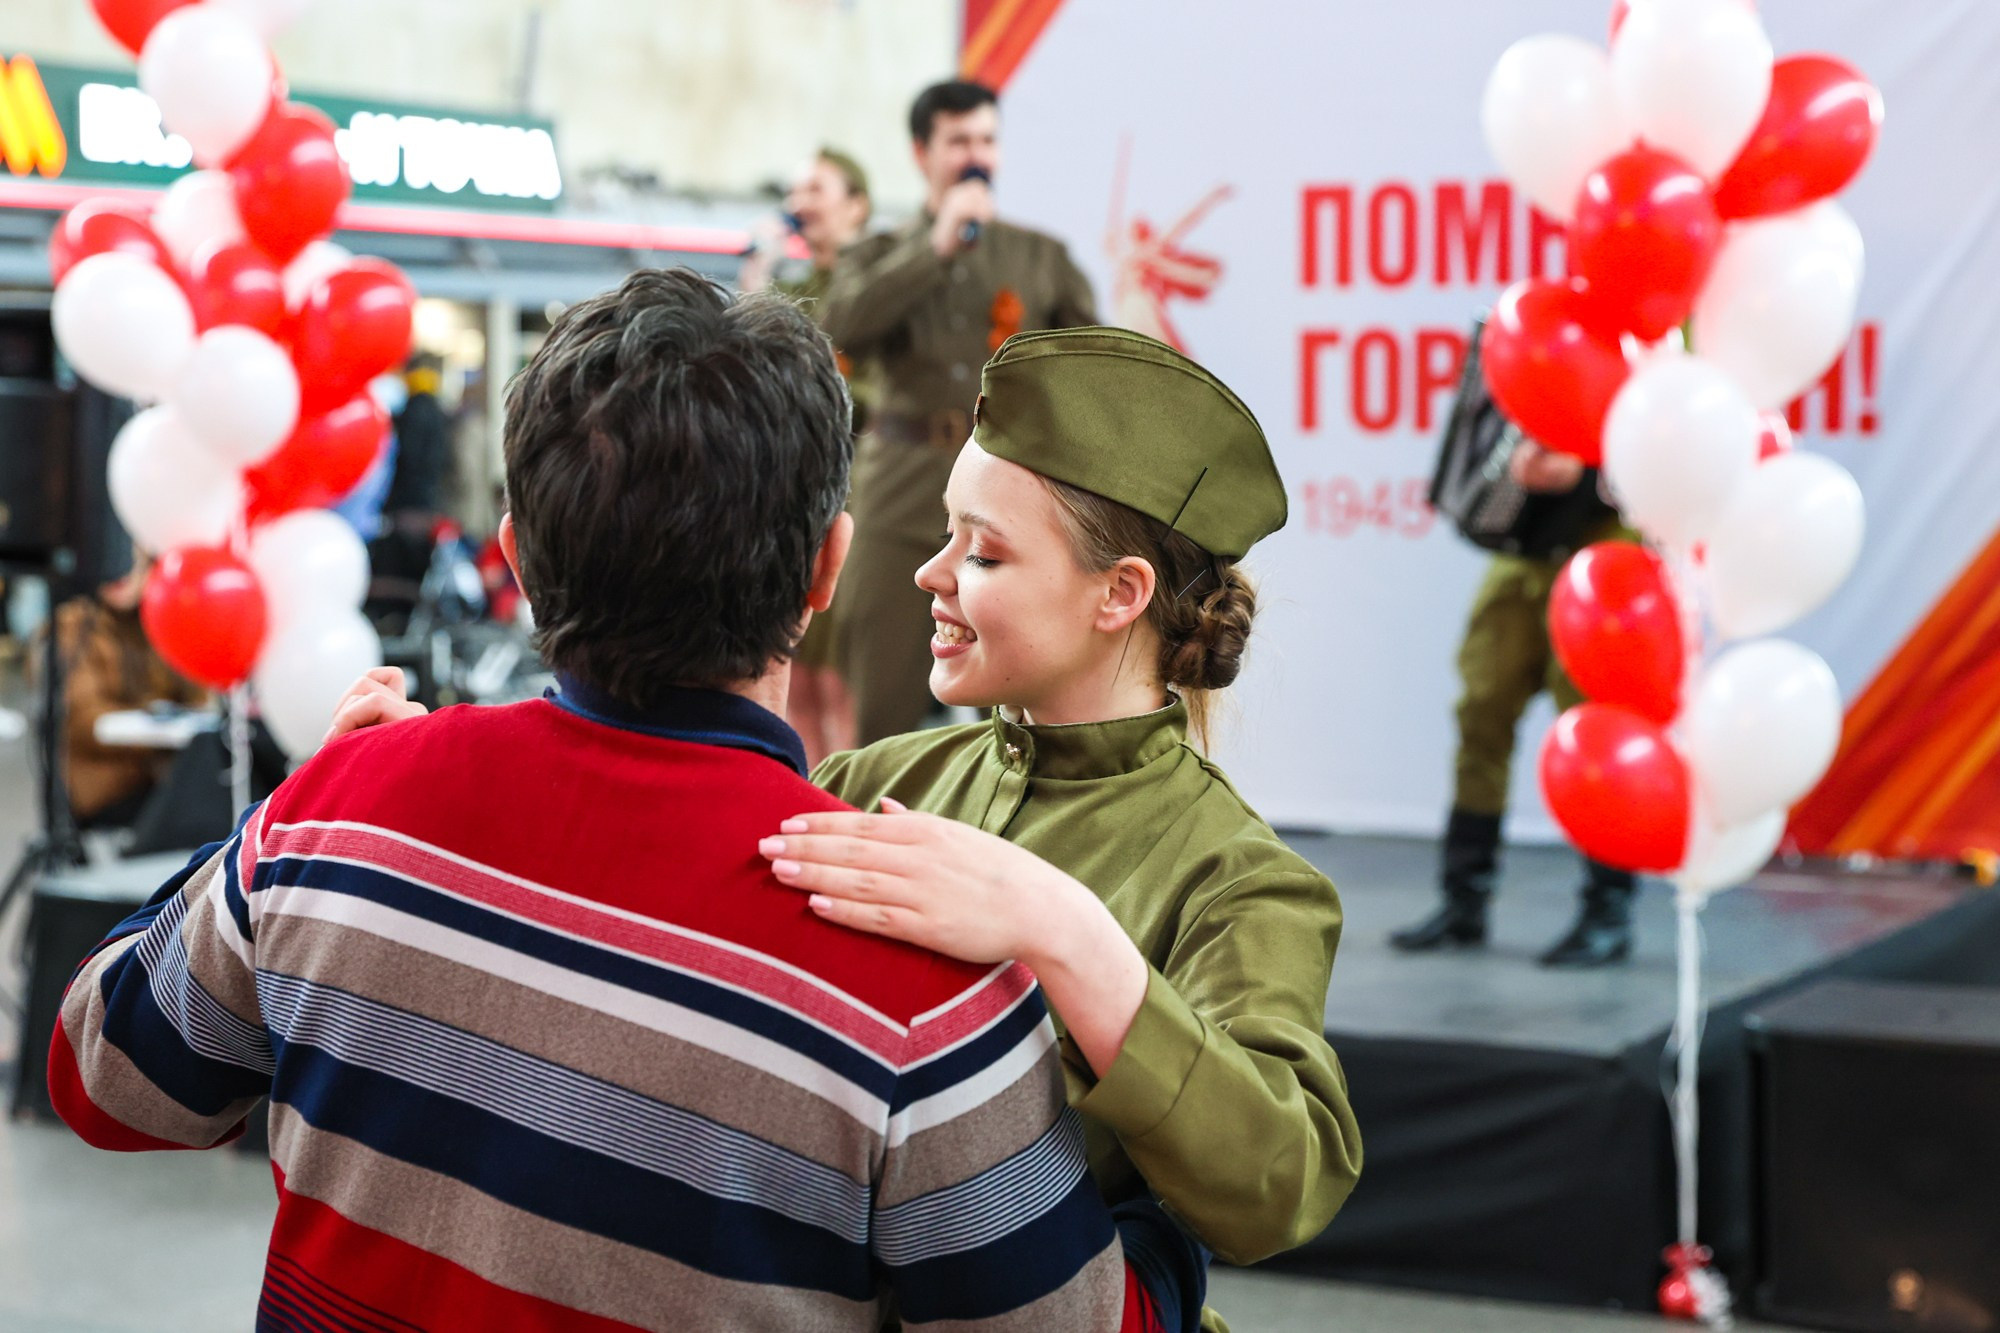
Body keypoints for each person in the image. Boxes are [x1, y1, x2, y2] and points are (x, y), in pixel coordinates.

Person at [49, 272, 1203, 1332]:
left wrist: (292, 815)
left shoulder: (337, 813)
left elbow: (105, 1077)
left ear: (517, 552)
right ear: (825, 566)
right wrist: (1175, 1206)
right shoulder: (922, 989)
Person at [821, 78, 1098, 744]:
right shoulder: (880, 254)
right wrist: (935, 248)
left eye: (986, 140)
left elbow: (1089, 365)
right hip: (898, 496)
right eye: (958, 142)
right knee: (878, 706)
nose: (975, 155)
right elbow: (838, 327)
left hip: (1006, 497)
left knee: (1017, 704)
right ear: (923, 153)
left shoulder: (1039, 256)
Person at [1391, 438, 1640, 967]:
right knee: (1481, 710)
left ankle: (1608, 912)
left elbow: (1673, 443)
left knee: (1597, 734)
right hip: (1523, 543)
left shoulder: (1657, 350)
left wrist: (1591, 471)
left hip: (1604, 540)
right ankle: (1464, 901)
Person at [742, 147, 876, 766]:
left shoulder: (878, 287)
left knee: (845, 677)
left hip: (866, 494)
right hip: (804, 494)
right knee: (802, 668)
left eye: (817, 188)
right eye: (797, 191)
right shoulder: (793, 291)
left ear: (857, 206)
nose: (802, 202)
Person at [46, 553, 205, 827]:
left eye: (131, 564)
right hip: (106, 784)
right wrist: (157, 729)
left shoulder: (162, 620)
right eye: (111, 561)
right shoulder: (74, 626)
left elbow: (198, 699)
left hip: (162, 779)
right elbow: (82, 719)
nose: (119, 575)